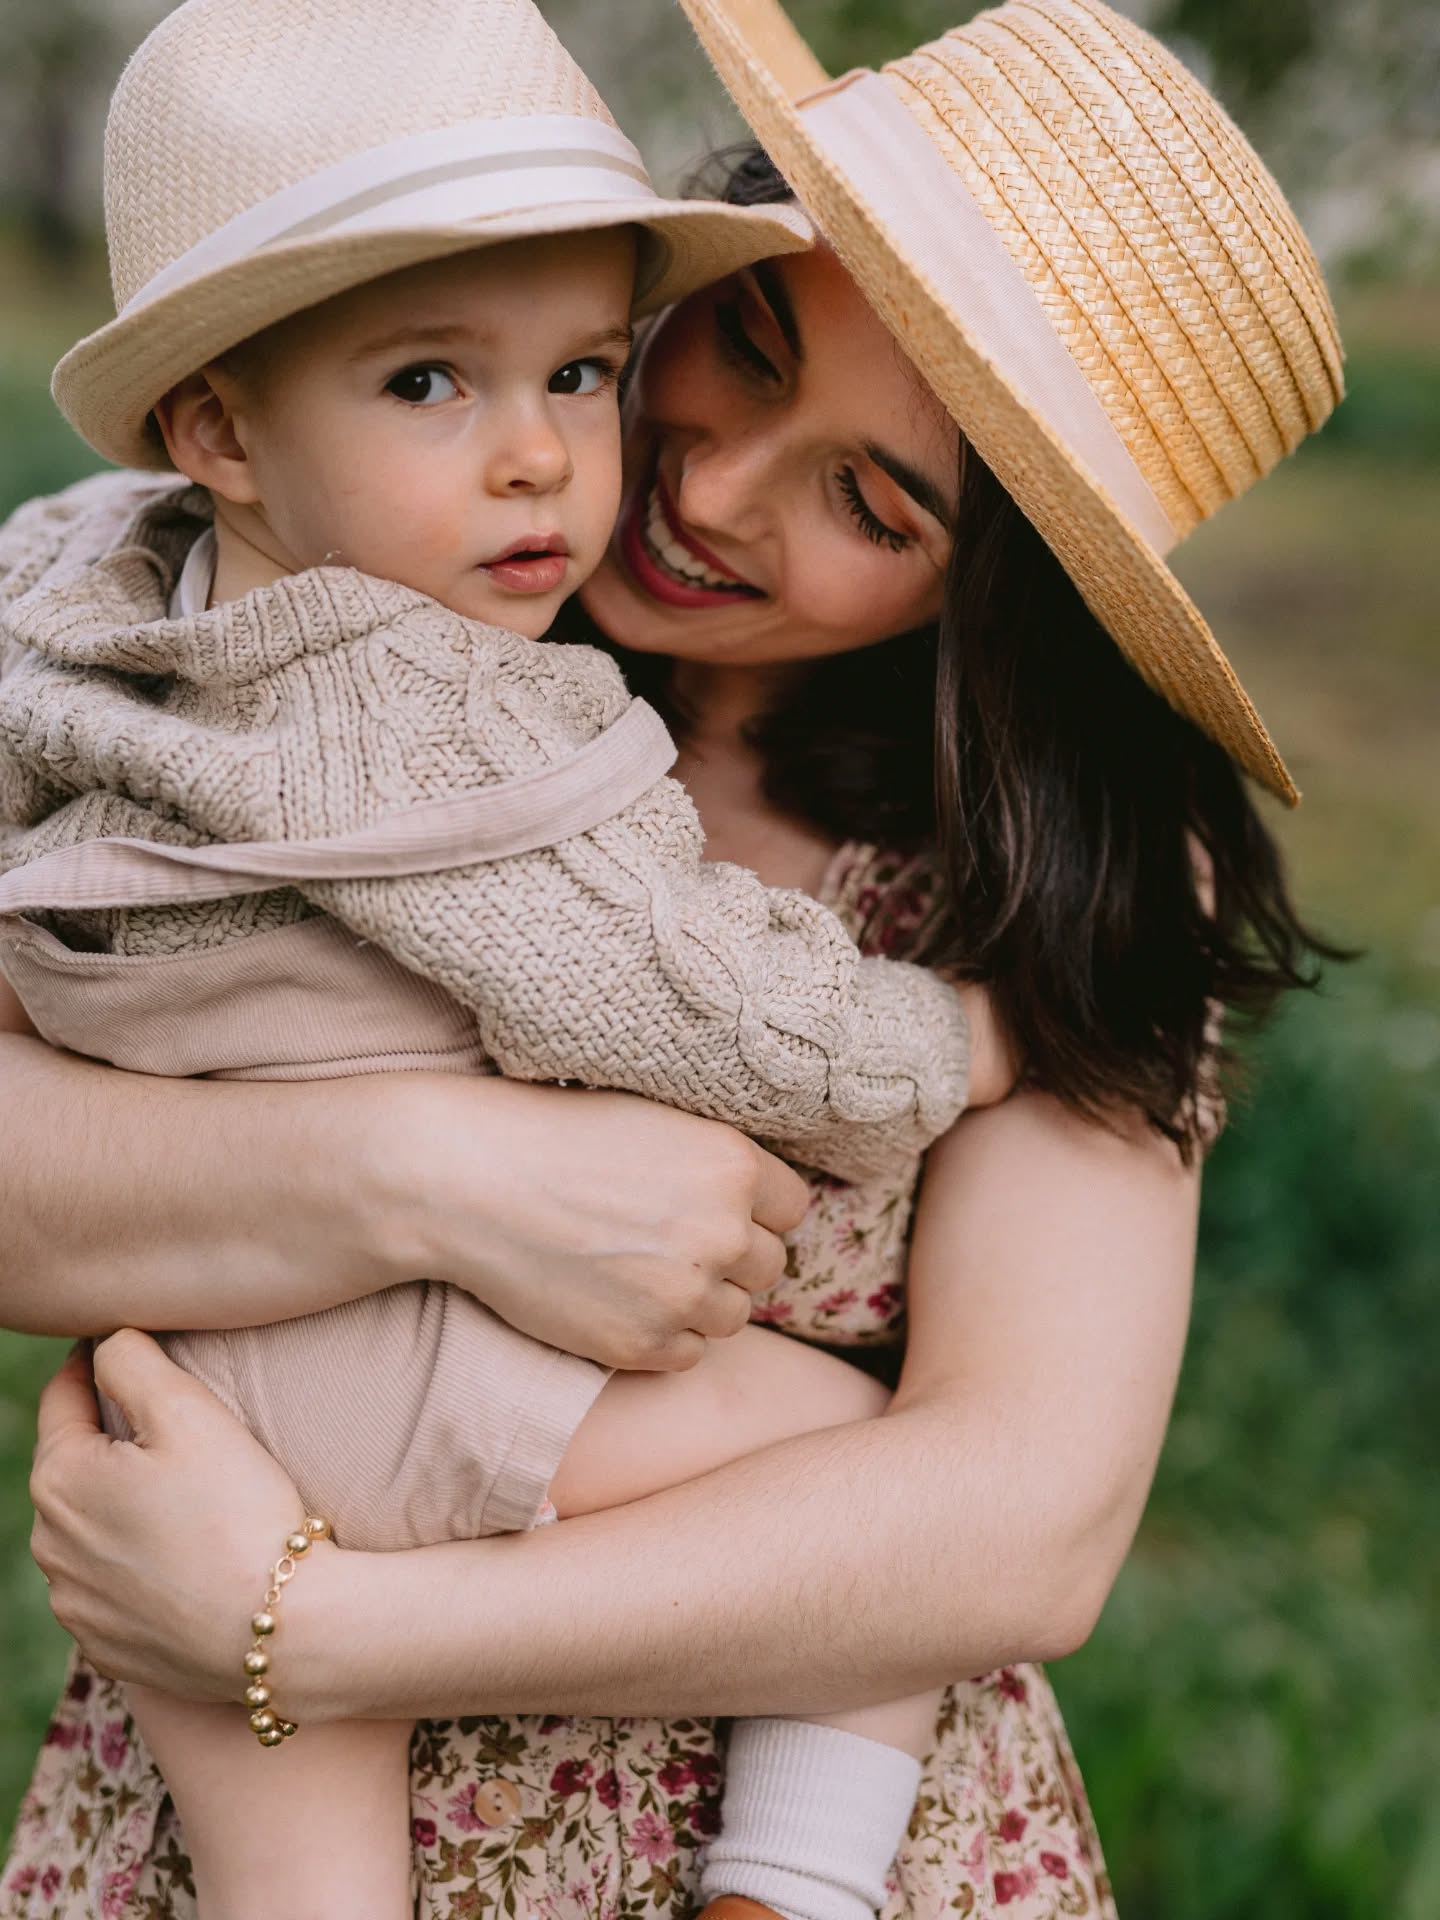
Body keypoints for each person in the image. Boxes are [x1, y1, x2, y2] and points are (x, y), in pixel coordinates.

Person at [5, 0, 1341, 1913]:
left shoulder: (1055, 874)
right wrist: (433, 1178)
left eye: (874, 505)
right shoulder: (290, 618)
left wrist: (305, 1629)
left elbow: (1019, 1531)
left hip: (748, 1841)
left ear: (1002, 588)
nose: (710, 494)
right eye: (743, 348)